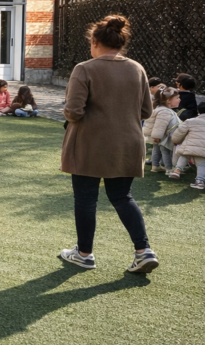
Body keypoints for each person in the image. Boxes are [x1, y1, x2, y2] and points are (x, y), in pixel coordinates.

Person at [60, 15, 158, 273]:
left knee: (85, 198)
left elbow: (73, 112)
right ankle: (143, 250)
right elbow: (146, 110)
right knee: (122, 196)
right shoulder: (137, 68)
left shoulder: (84, 68)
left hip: (89, 143)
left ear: (94, 41)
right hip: (128, 143)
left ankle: (84, 253)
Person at [143, 87, 181, 173]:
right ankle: (169, 169)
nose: (180, 99)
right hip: (162, 136)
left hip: (159, 135)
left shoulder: (162, 109)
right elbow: (160, 125)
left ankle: (155, 166)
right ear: (168, 101)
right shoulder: (165, 111)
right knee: (166, 151)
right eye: (177, 98)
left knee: (156, 150)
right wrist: (157, 136)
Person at [171, 102, 205, 188]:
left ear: (198, 111)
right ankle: (200, 181)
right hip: (203, 149)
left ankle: (177, 170)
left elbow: (179, 133)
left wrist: (175, 141)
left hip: (189, 145)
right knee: (201, 164)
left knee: (184, 156)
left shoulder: (190, 121)